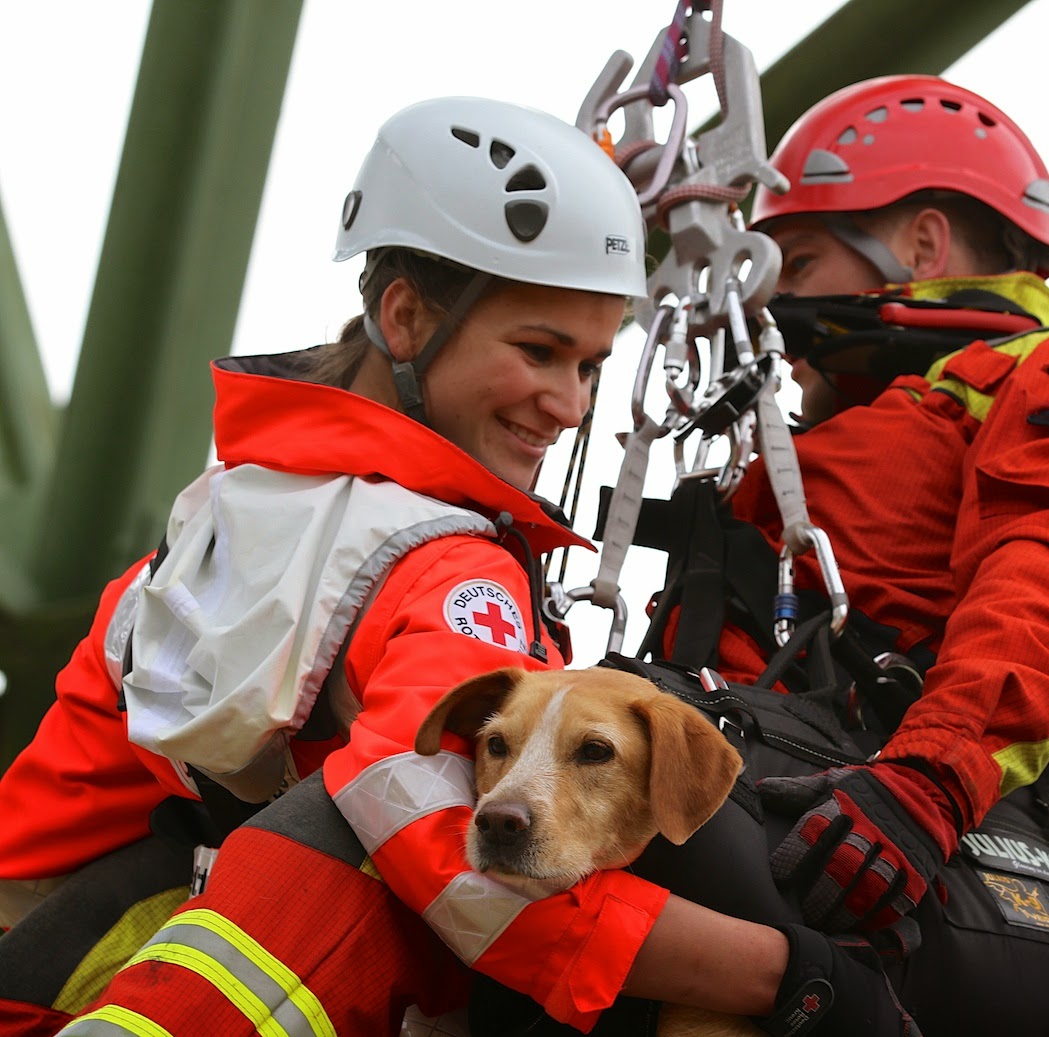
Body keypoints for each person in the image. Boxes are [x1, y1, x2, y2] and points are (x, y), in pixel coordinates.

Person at [0, 96, 918, 1037]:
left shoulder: (223, 517)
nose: (568, 404)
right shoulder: (444, 569)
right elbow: (445, 851)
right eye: (538, 350)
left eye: (593, 366)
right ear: (404, 317)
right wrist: (784, 974)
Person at [586, 73, 1049, 1037]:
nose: (768, 303)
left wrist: (926, 781)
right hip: (770, 825)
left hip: (878, 824)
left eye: (793, 263)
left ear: (921, 243)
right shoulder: (823, 444)